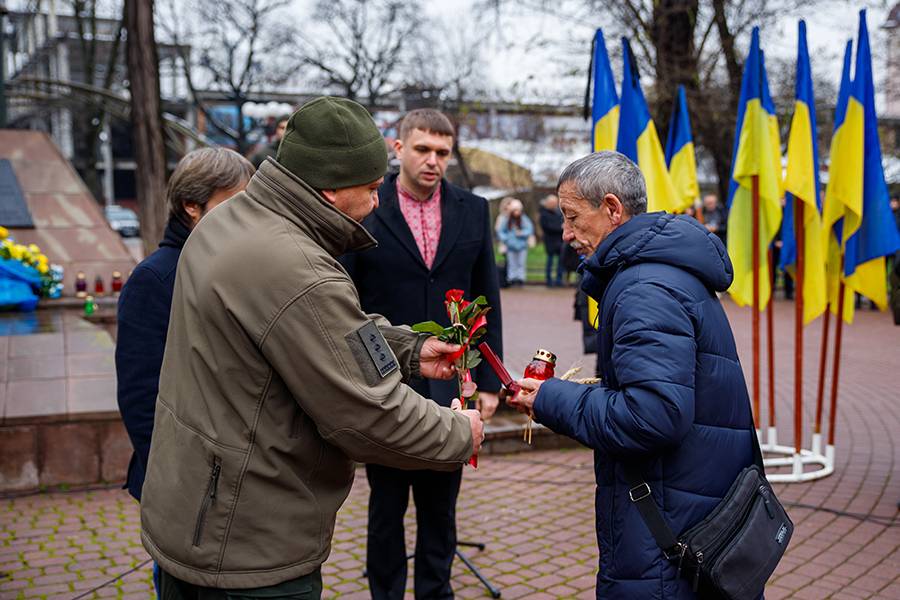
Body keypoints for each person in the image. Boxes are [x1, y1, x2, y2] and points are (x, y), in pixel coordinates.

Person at [139, 97, 484, 600]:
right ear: (328, 189)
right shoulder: (297, 267)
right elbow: (367, 412)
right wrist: (460, 431)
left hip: (197, 509)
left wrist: (409, 348)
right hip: (250, 539)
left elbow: (311, 332)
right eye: (369, 189)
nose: (376, 203)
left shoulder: (231, 220)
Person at [507, 151, 756, 599]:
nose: (565, 234)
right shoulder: (660, 271)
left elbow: (653, 415)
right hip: (690, 503)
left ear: (612, 208)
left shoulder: (644, 288)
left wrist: (548, 398)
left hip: (669, 527)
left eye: (572, 217)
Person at [342, 108, 503, 600]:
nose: (433, 161)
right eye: (422, 149)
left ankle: (437, 592)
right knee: (385, 508)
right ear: (398, 147)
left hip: (449, 386)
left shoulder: (473, 210)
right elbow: (346, 298)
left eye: (442, 152)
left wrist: (492, 383)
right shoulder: (368, 205)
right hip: (385, 381)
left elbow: (487, 296)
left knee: (441, 508)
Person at [116, 147, 254, 595]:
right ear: (192, 207)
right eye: (233, 203)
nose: (245, 216)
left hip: (240, 485)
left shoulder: (236, 266)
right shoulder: (154, 279)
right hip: (186, 492)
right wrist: (181, 481)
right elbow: (140, 396)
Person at [496, 198, 533, 286]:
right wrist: (506, 239)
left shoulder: (524, 219)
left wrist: (522, 233)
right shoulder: (506, 220)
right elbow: (501, 231)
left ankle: (520, 278)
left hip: (522, 245)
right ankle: (512, 278)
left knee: (521, 263)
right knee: (512, 263)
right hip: (511, 245)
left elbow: (529, 229)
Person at [539, 193, 564, 287]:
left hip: (559, 240)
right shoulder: (544, 214)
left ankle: (559, 279)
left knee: (560, 261)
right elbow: (547, 227)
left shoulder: (559, 213)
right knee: (550, 261)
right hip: (550, 241)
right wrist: (560, 228)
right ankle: (549, 280)